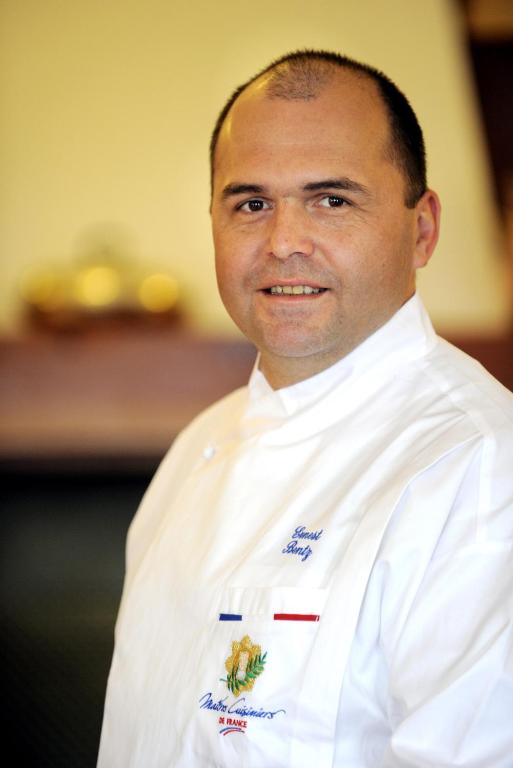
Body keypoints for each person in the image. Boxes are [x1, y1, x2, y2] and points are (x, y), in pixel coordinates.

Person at [98, 50, 513, 767]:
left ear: (421, 230)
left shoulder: (479, 472)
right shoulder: (198, 447)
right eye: (251, 204)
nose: (283, 242)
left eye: (332, 200)